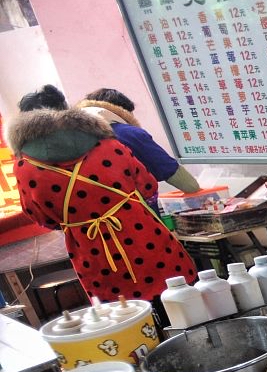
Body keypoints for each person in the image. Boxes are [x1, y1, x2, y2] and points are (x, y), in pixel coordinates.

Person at [7, 85, 197, 307]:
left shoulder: (24, 168)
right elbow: (147, 186)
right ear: (66, 111)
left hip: (93, 254)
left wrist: (78, 220)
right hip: (146, 239)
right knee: (180, 301)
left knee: (124, 319)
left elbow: (40, 217)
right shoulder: (109, 145)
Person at [76, 87, 201, 196]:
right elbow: (183, 181)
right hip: (130, 213)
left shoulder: (72, 137)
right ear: (123, 112)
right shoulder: (130, 134)